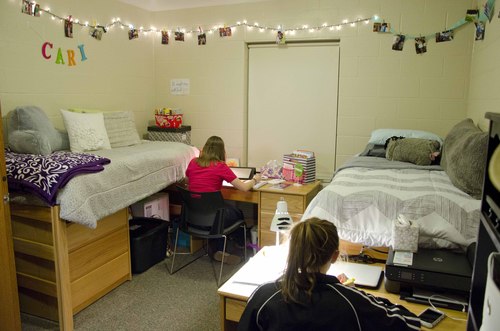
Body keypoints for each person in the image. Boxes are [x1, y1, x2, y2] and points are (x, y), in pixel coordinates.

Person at [237, 218, 421, 331]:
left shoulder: (264, 296)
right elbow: (409, 322)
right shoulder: (353, 302)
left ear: (293, 251)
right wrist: (360, 295)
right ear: (334, 256)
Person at [185, 136, 261, 265]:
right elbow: (243, 188)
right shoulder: (220, 166)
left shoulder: (193, 162)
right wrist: (255, 179)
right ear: (221, 151)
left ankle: (219, 249)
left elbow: (187, 181)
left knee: (221, 210)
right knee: (238, 213)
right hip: (213, 220)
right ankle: (240, 245)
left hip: (193, 219)